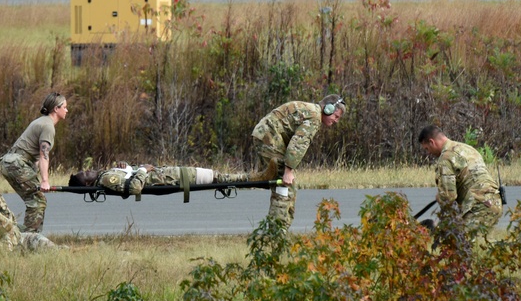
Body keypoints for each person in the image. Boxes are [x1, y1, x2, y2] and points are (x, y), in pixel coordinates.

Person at [251, 94, 346, 227]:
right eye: (336, 116)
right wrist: (288, 170)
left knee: (282, 182)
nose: (336, 121)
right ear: (328, 109)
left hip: (267, 135)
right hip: (268, 136)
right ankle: (276, 230)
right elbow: (298, 145)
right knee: (284, 184)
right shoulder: (314, 117)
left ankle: (220, 178)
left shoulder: (312, 112)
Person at [417, 125, 502, 242]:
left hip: (478, 205)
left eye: (427, 149)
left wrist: (440, 199)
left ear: (432, 142)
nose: (428, 153)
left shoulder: (445, 158)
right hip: (495, 202)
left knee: (463, 246)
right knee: (484, 246)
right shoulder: (467, 149)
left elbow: (448, 198)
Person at [0, 92, 68, 233]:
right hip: (16, 164)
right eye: (65, 107)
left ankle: (23, 234)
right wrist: (44, 181)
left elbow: (34, 157)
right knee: (37, 201)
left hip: (10, 162)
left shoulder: (41, 122)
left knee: (34, 200)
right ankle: (29, 238)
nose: (67, 110)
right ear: (56, 109)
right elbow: (44, 155)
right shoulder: (48, 126)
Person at [68, 162, 251, 194]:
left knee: (216, 176)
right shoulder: (106, 180)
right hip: (169, 178)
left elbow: (128, 174)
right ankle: (251, 178)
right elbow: (133, 188)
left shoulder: (105, 174)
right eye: (85, 174)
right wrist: (143, 170)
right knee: (216, 177)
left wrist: (123, 165)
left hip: (167, 174)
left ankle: (250, 177)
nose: (88, 170)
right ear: (88, 183)